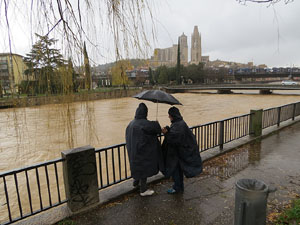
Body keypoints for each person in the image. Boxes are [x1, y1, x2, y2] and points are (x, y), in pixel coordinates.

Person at [162, 106, 203, 194]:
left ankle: (177, 188)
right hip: (181, 152)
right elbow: (175, 134)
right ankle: (179, 187)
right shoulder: (179, 123)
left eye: (169, 115)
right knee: (178, 170)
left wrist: (166, 133)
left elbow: (174, 140)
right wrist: (169, 130)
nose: (168, 117)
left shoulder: (178, 125)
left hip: (180, 153)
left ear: (172, 115)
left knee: (176, 171)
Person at [125, 103, 163, 196]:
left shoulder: (131, 123)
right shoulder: (145, 123)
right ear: (145, 113)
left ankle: (135, 183)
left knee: (136, 167)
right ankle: (143, 190)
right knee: (144, 168)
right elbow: (157, 129)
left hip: (133, 150)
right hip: (142, 152)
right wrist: (156, 123)